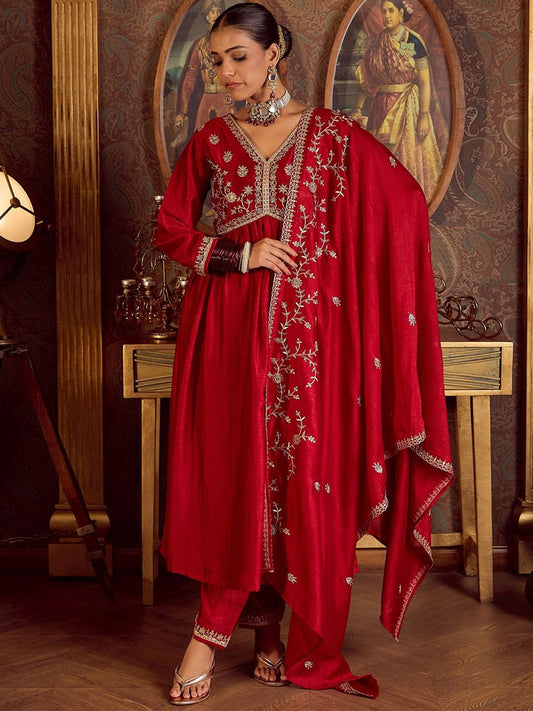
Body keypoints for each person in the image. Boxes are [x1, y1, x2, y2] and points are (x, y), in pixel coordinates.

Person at [156, 2, 453, 705]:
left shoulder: (331, 135)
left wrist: (346, 273)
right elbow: (170, 229)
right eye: (216, 60)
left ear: (274, 53)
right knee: (236, 476)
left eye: (238, 56)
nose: (226, 72)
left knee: (300, 477)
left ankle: (277, 629)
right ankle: (218, 630)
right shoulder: (210, 140)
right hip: (226, 333)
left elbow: (403, 203)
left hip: (312, 341)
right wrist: (239, 253)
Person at [351, 0, 448, 200]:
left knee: (407, 159)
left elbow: (424, 81)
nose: (386, 16)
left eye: (391, 11)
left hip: (408, 108)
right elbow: (366, 80)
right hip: (380, 107)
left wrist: (423, 116)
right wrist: (357, 109)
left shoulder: (412, 41)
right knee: (381, 163)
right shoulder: (376, 43)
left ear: (401, 13)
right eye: (383, 11)